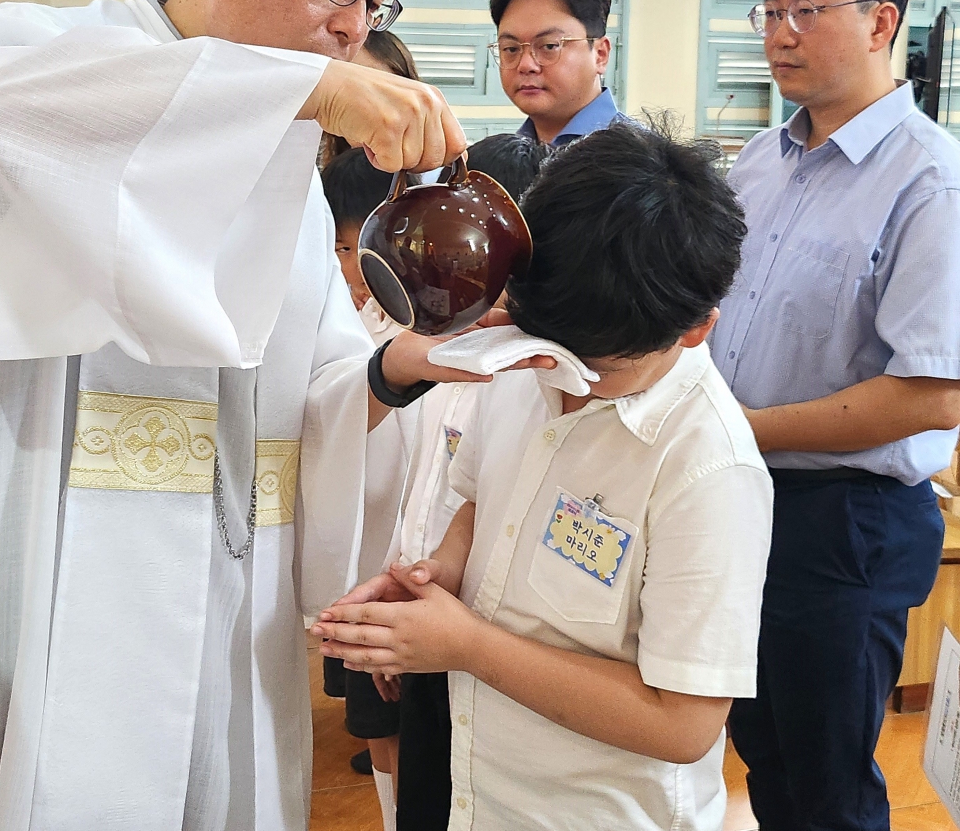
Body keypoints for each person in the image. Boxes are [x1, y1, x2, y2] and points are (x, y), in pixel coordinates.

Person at [0, 0, 487, 831]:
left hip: (236, 599)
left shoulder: (293, 177)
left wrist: (395, 368)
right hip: (56, 587)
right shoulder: (45, 55)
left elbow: (314, 390)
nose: (353, 25)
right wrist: (306, 89)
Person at [313, 124, 775, 831]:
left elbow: (683, 723)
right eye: (553, 348)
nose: (568, 376)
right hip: (467, 773)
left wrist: (466, 645)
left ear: (695, 328)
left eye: (602, 366)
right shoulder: (525, 356)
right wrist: (435, 578)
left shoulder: (708, 468)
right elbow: (480, 498)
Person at [710, 0, 960, 830]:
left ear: (880, 19)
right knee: (763, 752)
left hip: (843, 523)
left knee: (828, 785)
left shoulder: (930, 181)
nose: (779, 33)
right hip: (743, 497)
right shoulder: (758, 162)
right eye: (769, 10)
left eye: (806, 9)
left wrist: (740, 429)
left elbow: (929, 393)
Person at [389, 132, 547, 831]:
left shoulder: (531, 368)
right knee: (427, 789)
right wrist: (411, 579)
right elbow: (435, 489)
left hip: (490, 637)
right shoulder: (440, 340)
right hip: (431, 603)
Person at [321, 147, 414, 831]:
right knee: (378, 726)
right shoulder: (340, 322)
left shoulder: (425, 330)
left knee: (415, 730)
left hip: (411, 563)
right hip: (360, 565)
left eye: (365, 245)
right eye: (341, 247)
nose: (355, 264)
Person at [488, 0, 626, 145]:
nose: (525, 65)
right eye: (511, 49)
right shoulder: (505, 154)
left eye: (549, 46)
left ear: (600, 55)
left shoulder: (644, 157)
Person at [320, 28, 420, 169]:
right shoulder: (316, 171)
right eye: (351, 90)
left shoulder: (443, 175)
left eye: (378, 91)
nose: (365, 104)